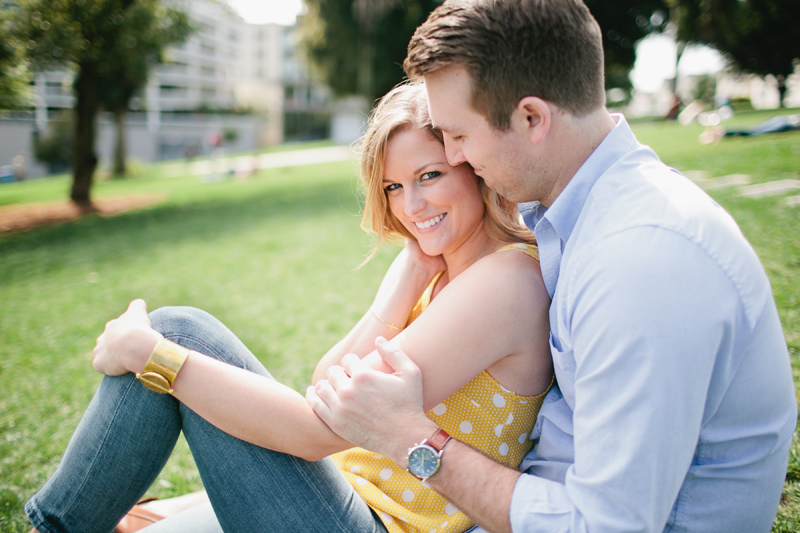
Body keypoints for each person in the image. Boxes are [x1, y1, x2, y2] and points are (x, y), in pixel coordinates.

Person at [307, 1, 798, 532]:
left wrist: (411, 439)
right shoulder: (575, 217)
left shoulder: (642, 262)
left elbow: (607, 526)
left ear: (532, 119)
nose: (456, 157)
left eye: (459, 135)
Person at [26, 82, 553, 533]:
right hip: (339, 493)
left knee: (175, 333)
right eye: (394, 186)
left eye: (429, 175)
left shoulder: (503, 282)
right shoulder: (439, 272)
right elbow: (324, 384)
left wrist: (148, 353)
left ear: (472, 166)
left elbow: (312, 432)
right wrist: (406, 280)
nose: (411, 206)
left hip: (373, 523)